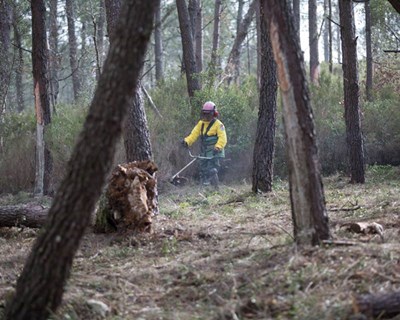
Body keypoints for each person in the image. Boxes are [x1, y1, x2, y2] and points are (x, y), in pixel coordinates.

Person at [182, 101, 227, 187]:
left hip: (215, 151)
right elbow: (193, 134)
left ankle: (215, 188)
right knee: (203, 169)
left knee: (212, 169)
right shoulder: (201, 124)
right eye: (204, 114)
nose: (206, 116)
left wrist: (218, 147)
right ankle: (204, 187)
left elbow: (223, 138)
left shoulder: (219, 125)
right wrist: (187, 142)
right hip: (205, 151)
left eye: (208, 114)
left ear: (213, 114)